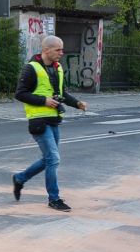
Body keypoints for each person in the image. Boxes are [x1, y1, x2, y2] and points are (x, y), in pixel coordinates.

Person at [12, 35, 87, 211]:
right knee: (53, 159)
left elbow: (62, 93)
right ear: (46, 50)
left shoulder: (58, 68)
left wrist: (77, 103)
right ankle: (54, 199)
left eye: (62, 49)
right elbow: (20, 94)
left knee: (48, 159)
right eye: (58, 49)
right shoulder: (31, 68)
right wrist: (43, 101)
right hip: (38, 121)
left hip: (54, 120)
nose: (62, 53)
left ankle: (20, 179)